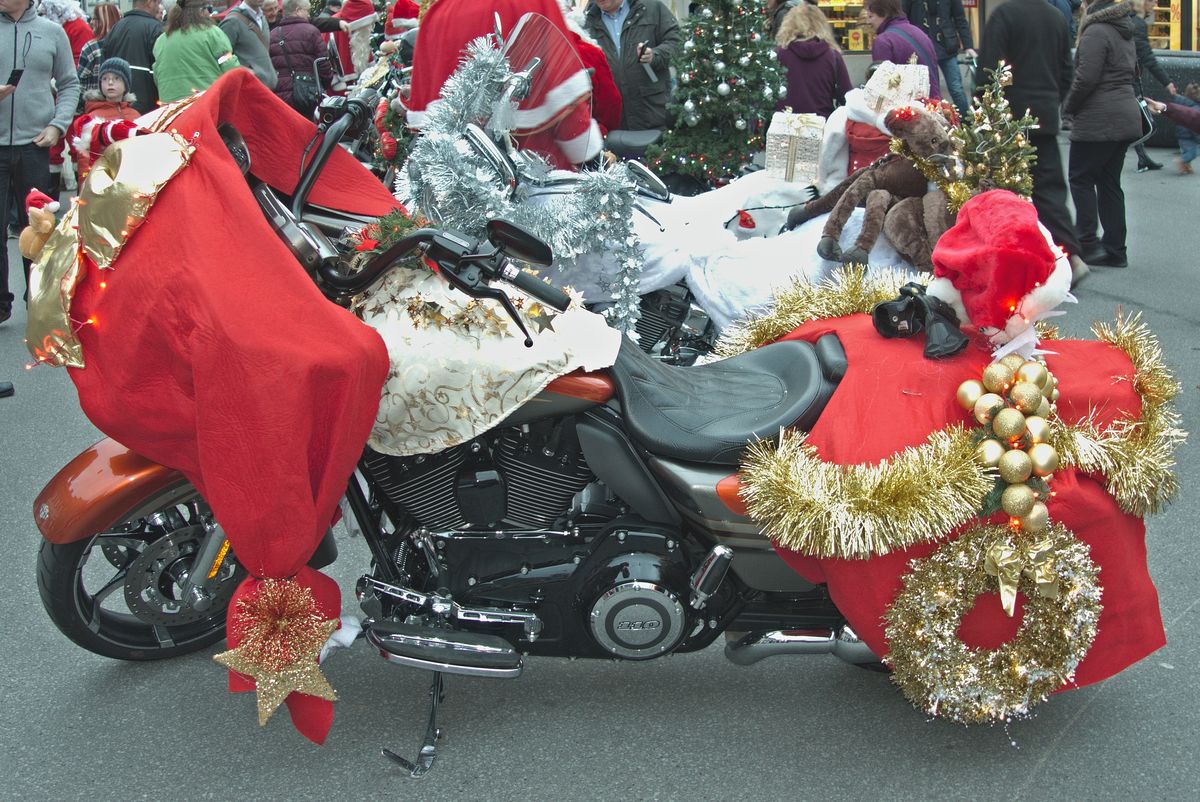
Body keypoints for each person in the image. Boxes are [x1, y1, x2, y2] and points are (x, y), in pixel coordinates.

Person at [408, 0, 603, 169]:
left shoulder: (437, 15)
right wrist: (591, 159)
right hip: (535, 174)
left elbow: (425, 114)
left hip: (460, 187)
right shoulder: (530, 3)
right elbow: (562, 96)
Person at [977, 0, 1088, 285]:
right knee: (1050, 190)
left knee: (1002, 191)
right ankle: (1069, 254)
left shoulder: (1003, 15)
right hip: (1045, 116)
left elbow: (990, 70)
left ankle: (1007, 263)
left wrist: (985, 108)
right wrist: (1052, 102)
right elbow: (1067, 71)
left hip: (1009, 119)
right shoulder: (1055, 17)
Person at [0, 0, 80, 325]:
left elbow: (69, 83)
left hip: (35, 145)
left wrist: (57, 125)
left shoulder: (52, 32)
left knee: (40, 229)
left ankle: (39, 301)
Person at [1065, 0, 1140, 269]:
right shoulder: (1124, 29)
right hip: (1123, 115)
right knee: (1109, 183)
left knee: (1081, 178)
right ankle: (1116, 249)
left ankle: (1087, 242)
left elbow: (1086, 77)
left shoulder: (1096, 31)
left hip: (1098, 119)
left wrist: (1068, 106)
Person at [583, 0, 681, 131]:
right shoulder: (586, 20)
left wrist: (655, 55)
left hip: (653, 113)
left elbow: (677, 43)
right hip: (613, 123)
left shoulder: (652, 8)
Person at [66, 57, 141, 179]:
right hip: (101, 179)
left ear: (126, 84)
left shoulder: (135, 115)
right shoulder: (91, 118)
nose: (110, 83)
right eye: (105, 79)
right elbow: (84, 157)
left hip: (131, 178)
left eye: (116, 78)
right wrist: (85, 183)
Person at [153, 0, 241, 102]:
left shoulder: (161, 40)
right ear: (200, 11)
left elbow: (157, 74)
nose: (210, 13)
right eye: (209, 8)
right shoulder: (212, 33)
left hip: (171, 107)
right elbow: (229, 66)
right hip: (205, 104)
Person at [775, 3, 851, 118]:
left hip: (785, 127)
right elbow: (847, 96)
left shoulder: (778, 54)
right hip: (822, 127)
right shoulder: (833, 56)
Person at [901, 0, 974, 119]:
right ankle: (933, 122)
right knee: (929, 90)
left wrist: (968, 46)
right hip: (922, 48)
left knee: (956, 89)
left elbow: (960, 19)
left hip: (946, 47)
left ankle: (967, 122)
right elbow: (904, 19)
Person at [864, 0, 941, 100]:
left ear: (884, 13)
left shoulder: (883, 41)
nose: (868, 21)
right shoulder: (920, 34)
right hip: (932, 105)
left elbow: (883, 90)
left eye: (871, 16)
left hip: (906, 111)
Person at [1130, 0, 1175, 172]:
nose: (1155, 4)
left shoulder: (1127, 19)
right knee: (1136, 116)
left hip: (1124, 77)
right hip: (1129, 78)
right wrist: (1167, 82)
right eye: (1151, 0)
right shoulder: (1138, 24)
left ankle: (1142, 158)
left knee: (1135, 115)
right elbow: (1147, 57)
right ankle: (1140, 158)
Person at [269, 0, 333, 112]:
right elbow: (323, 64)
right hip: (308, 93)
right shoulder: (311, 31)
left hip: (280, 95)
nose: (308, 15)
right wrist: (325, 84)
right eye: (307, 11)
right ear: (298, 10)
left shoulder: (272, 35)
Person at [103, 0, 163, 114]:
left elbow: (106, 61)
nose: (159, 6)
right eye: (157, 2)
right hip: (148, 104)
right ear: (149, 2)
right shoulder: (155, 28)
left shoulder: (116, 28)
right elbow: (160, 66)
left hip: (120, 104)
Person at [220, 0, 278, 89]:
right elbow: (221, 57)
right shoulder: (232, 22)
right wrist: (243, 70)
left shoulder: (262, 18)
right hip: (247, 89)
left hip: (267, 88)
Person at [1147, 84, 1200, 173]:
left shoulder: (1182, 102)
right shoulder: (1196, 107)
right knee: (1193, 151)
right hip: (1189, 135)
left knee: (1188, 151)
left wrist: (1165, 108)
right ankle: (1182, 161)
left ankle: (1185, 165)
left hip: (1182, 135)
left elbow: (1188, 115)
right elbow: (1193, 118)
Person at [77, 3, 124, 98]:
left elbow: (80, 83)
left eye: (95, 19)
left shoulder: (91, 48)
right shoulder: (125, 45)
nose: (91, 22)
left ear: (103, 21)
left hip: (94, 105)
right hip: (121, 105)